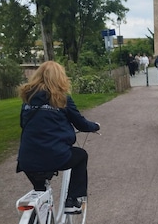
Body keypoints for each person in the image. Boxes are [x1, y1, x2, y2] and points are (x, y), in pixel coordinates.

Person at [16, 61, 100, 213]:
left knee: (40, 191)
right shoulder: (62, 99)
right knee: (81, 156)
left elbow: (24, 124)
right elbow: (80, 124)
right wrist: (95, 126)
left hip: (27, 159)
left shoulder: (27, 100)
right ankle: (72, 201)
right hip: (55, 156)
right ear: (60, 77)